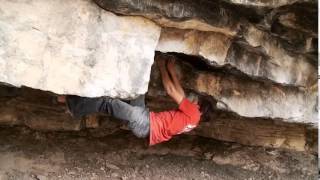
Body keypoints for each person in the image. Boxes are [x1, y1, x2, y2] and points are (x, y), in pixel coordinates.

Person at [57, 54, 202, 146]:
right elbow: (179, 92)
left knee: (107, 102)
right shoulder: (193, 120)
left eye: (196, 102)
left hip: (144, 123)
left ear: (200, 107)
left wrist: (161, 66)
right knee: (138, 90)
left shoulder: (194, 112)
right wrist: (169, 68)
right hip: (145, 120)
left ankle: (71, 105)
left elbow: (171, 91)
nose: (193, 101)